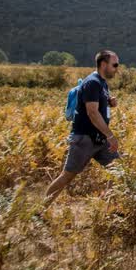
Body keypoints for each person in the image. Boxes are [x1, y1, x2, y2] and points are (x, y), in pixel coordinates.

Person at [44, 50, 121, 206]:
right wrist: (110, 136)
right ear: (103, 64)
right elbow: (92, 112)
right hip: (84, 139)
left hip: (99, 139)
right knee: (67, 176)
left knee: (118, 172)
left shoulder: (102, 83)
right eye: (114, 65)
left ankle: (108, 210)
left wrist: (109, 102)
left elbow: (98, 107)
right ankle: (41, 209)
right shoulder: (92, 82)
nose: (116, 68)